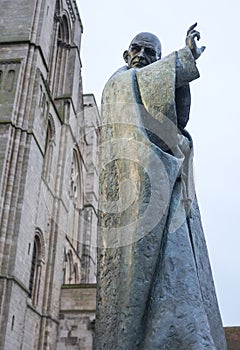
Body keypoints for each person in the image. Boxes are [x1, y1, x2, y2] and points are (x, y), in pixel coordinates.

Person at [95, 24, 227, 349]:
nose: (141, 57)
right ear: (126, 55)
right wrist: (183, 58)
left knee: (178, 272)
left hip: (166, 194)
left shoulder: (145, 82)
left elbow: (171, 124)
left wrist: (177, 145)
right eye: (136, 50)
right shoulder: (119, 83)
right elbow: (148, 88)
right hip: (136, 199)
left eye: (149, 53)